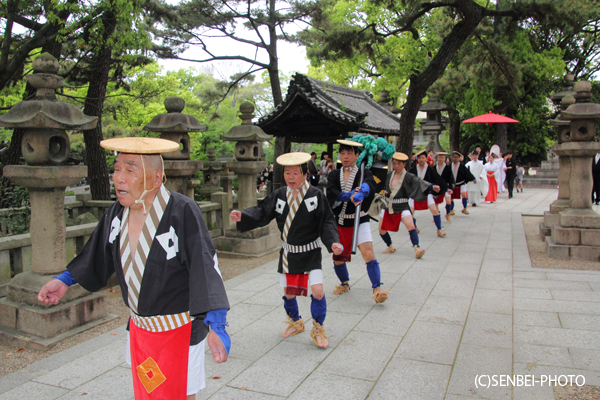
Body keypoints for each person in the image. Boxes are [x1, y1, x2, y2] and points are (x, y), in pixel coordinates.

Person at [38, 137, 230, 400]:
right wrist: (64, 281)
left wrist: (217, 325)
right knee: (148, 394)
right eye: (116, 169)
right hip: (140, 329)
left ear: (155, 178)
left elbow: (205, 268)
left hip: (179, 330)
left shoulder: (182, 211)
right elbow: (97, 252)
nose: (118, 178)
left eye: (130, 170)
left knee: (180, 395)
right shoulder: (118, 212)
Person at [231, 152, 342, 348]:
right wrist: (243, 215)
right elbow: (263, 211)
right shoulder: (279, 195)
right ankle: (296, 322)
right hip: (289, 253)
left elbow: (327, 222)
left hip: (310, 251)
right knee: (289, 292)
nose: (291, 177)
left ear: (305, 174)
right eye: (287, 173)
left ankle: (318, 328)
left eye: (295, 173)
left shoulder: (315, 195)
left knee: (317, 291)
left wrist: (333, 242)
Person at [326, 139, 388, 303]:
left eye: (349, 153)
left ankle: (377, 289)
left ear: (357, 155)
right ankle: (344, 283)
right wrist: (348, 195)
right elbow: (331, 192)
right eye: (343, 153)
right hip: (340, 221)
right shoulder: (333, 175)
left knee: (368, 254)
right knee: (338, 257)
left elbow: (370, 184)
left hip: (360, 220)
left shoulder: (364, 173)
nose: (345, 157)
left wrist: (365, 190)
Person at [378, 152, 437, 258]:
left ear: (404, 164)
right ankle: (390, 246)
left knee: (411, 226)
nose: (396, 166)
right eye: (394, 163)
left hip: (403, 205)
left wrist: (431, 187)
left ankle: (417, 248)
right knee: (381, 230)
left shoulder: (408, 176)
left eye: (399, 164)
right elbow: (380, 187)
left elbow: (419, 182)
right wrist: (384, 191)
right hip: (388, 205)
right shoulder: (388, 175)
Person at [408, 149, 448, 237]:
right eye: (420, 158)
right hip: (414, 194)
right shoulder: (413, 169)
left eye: (423, 158)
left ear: (426, 159)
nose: (421, 159)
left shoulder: (430, 169)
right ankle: (414, 227)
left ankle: (439, 229)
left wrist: (444, 188)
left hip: (427, 193)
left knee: (435, 211)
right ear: (417, 159)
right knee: (410, 213)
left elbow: (438, 180)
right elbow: (407, 181)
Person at [434, 151, 455, 222]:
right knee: (436, 202)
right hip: (437, 187)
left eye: (442, 157)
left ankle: (447, 214)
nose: (440, 159)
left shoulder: (448, 168)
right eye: (439, 157)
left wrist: (451, 187)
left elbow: (451, 178)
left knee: (448, 201)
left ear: (444, 159)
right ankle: (436, 214)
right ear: (437, 158)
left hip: (446, 186)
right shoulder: (434, 168)